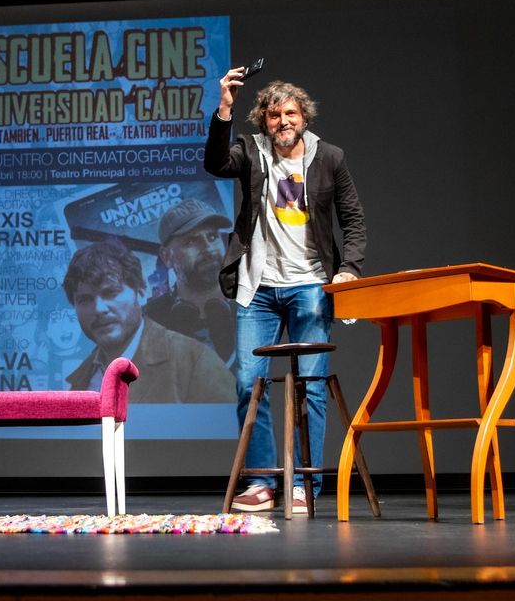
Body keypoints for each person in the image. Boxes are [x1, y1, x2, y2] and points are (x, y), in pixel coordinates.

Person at [205, 73, 367, 514]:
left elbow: (352, 220)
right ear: (264, 120)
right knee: (247, 383)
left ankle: (304, 486)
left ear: (303, 117)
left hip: (311, 286)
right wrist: (224, 108)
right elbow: (216, 164)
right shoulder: (252, 153)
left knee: (311, 385)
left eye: (290, 113)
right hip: (258, 288)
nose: (282, 121)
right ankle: (261, 482)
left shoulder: (328, 157)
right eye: (274, 115)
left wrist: (349, 270)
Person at [62, 240, 234, 403]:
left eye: (110, 293)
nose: (99, 308)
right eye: (85, 300)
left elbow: (237, 432)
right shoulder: (78, 383)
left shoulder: (195, 362)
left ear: (142, 294)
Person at [144, 198, 235, 364]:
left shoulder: (256, 307)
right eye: (191, 242)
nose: (208, 248)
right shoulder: (150, 321)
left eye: (212, 236)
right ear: (166, 256)